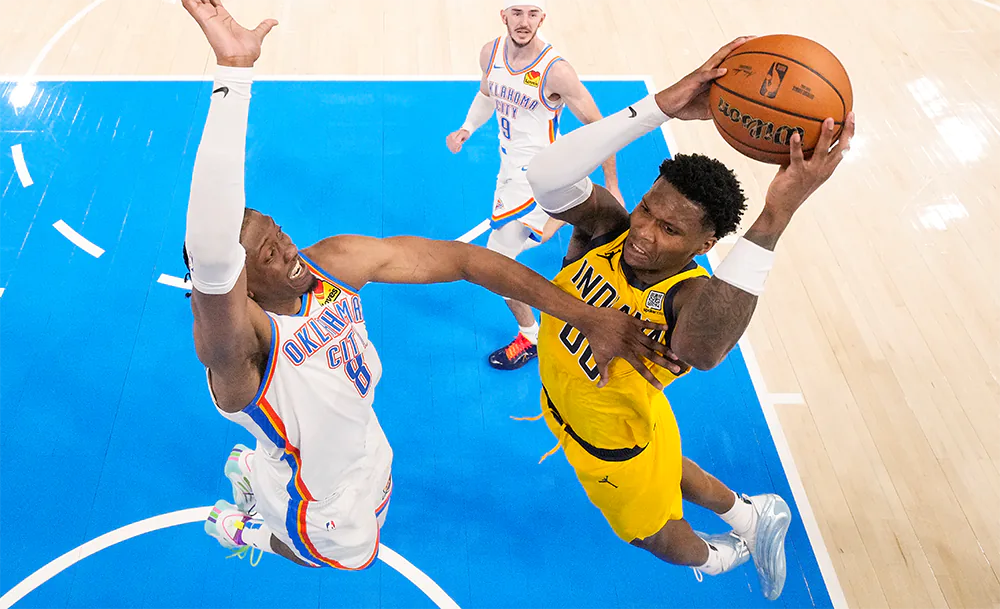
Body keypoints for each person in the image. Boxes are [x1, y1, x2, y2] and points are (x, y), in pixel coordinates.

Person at [181, 0, 673, 570]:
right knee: (344, 560)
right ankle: (242, 528)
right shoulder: (238, 348)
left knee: (368, 487)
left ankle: (253, 465)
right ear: (237, 285)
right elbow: (212, 254)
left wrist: (583, 315)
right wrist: (234, 75)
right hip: (316, 502)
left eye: (280, 233)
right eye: (269, 253)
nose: (289, 248)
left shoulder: (330, 263)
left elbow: (467, 261)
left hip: (365, 441)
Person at [524, 36, 855, 600]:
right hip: (604, 413)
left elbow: (702, 350)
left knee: (653, 535)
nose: (643, 234)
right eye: (647, 209)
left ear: (705, 245)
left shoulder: (688, 296)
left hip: (612, 448)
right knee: (669, 462)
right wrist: (662, 106)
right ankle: (752, 515)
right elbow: (545, 175)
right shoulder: (607, 229)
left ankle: (724, 556)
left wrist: (776, 214)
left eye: (670, 230)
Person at [446, 1, 622, 371]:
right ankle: (573, 206)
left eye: (532, 14)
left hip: (539, 173)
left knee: (497, 266)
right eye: (517, 13)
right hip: (509, 169)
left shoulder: (556, 72)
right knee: (532, 237)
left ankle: (530, 337)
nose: (524, 22)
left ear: (542, 18)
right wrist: (467, 128)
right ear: (504, 16)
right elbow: (487, 93)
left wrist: (613, 183)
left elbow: (600, 127)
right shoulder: (490, 53)